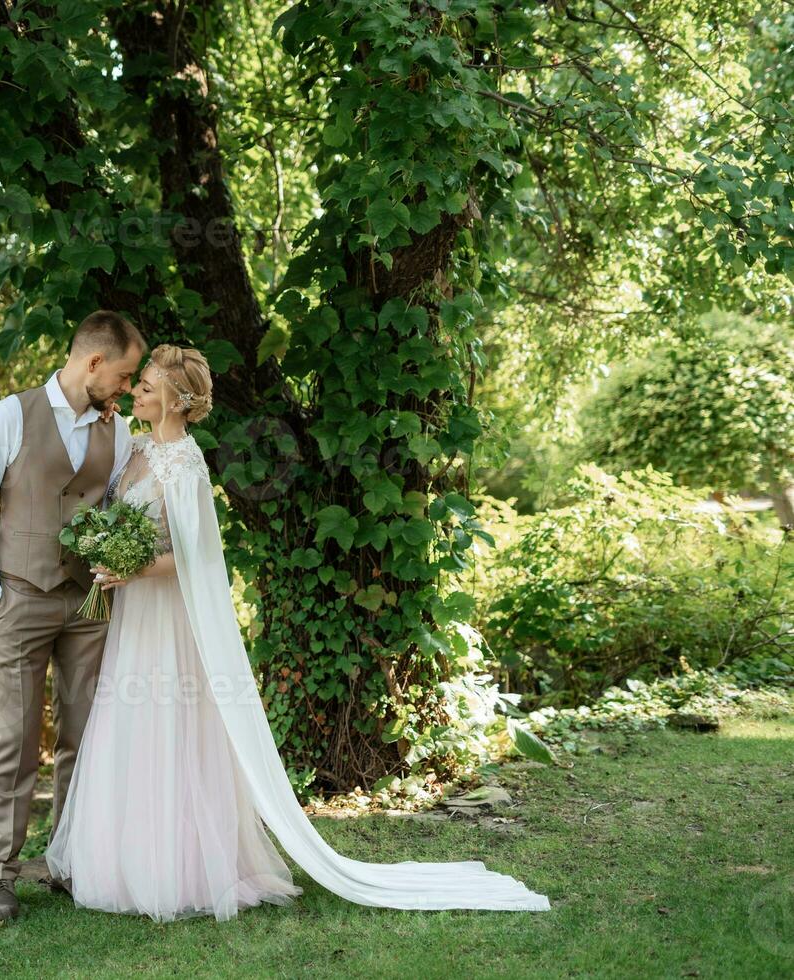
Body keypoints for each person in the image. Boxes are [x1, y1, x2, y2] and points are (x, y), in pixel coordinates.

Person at [44, 344, 553, 922]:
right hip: (135, 617)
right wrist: (110, 555)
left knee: (170, 727)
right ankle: (122, 863)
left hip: (169, 619)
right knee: (130, 724)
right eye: (137, 386)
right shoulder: (133, 448)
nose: (135, 392)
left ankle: (179, 869)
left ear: (178, 400)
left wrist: (133, 567)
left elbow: (197, 560)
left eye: (147, 387)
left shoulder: (185, 464)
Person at [0, 309, 145, 921]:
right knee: (14, 737)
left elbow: (115, 512)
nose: (126, 387)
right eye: (122, 375)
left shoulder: (118, 434)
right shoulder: (10, 416)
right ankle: (1, 875)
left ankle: (69, 863)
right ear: (92, 362)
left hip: (89, 602)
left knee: (82, 737)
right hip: (20, 598)